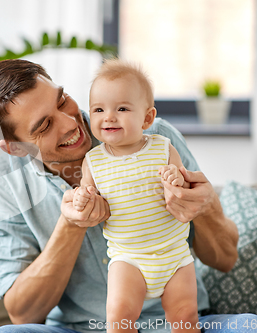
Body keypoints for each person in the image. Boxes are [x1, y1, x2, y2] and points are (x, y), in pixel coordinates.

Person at [0, 59, 257, 333]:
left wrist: (206, 206)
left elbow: (225, 260)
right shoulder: (0, 185)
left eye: (62, 100)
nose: (71, 123)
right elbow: (22, 312)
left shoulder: (156, 139)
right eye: (44, 125)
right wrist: (70, 226)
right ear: (15, 147)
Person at [73, 59, 198, 332]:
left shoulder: (163, 147)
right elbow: (87, 193)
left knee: (185, 315)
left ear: (147, 118)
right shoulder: (93, 161)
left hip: (174, 254)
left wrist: (177, 180)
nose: (109, 116)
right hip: (128, 258)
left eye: (122, 108)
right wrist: (83, 198)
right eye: (98, 109)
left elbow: (184, 187)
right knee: (118, 316)